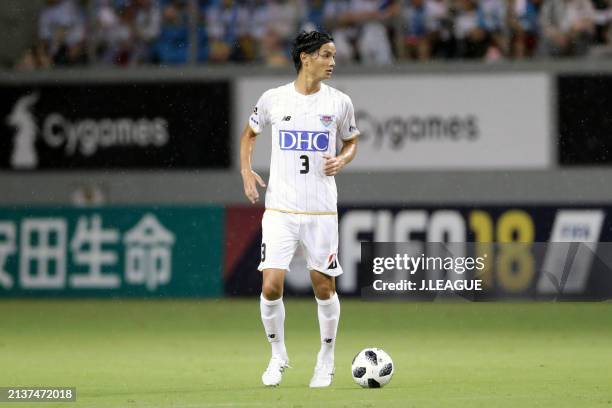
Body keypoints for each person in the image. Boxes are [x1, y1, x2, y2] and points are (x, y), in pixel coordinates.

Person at [239, 30, 359, 388]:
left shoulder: (339, 103)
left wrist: (342, 158)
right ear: (305, 57)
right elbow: (249, 134)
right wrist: (246, 170)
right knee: (271, 285)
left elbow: (352, 140)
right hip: (280, 209)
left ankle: (326, 359)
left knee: (324, 288)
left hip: (321, 210)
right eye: (326, 55)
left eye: (333, 55)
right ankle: (278, 356)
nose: (332, 62)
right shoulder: (274, 99)